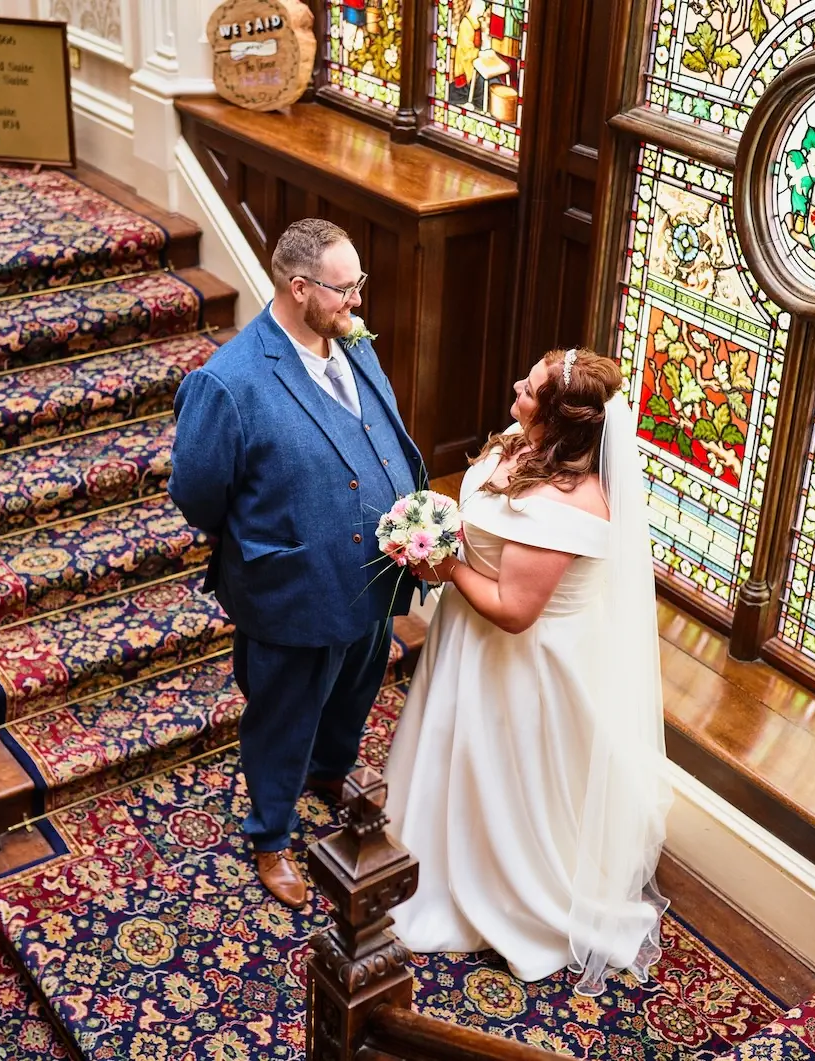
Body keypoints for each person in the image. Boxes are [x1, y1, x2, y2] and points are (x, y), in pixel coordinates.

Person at [384, 348, 673, 995]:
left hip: (519, 669)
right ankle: (437, 853)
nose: (515, 386)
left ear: (560, 421)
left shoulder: (568, 506)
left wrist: (443, 563)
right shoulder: (525, 442)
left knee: (501, 780)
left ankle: (504, 889)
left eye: (530, 388)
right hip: (473, 642)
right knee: (454, 761)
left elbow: (514, 612)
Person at [168, 219, 425, 909]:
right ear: (298, 286)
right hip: (293, 586)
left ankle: (329, 770)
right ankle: (270, 835)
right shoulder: (228, 382)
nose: (358, 303)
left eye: (358, 285)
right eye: (346, 289)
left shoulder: (349, 341)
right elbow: (196, 492)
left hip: (375, 573)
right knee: (283, 716)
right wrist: (268, 540)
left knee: (357, 689)